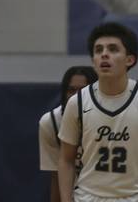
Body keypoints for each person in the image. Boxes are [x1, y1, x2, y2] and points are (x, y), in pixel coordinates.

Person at [57, 23, 138, 202]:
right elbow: (66, 160)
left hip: (136, 197)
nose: (104, 54)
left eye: (113, 49)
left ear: (130, 59)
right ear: (93, 61)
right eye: (98, 50)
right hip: (87, 197)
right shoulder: (77, 103)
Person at [39, 66, 98, 201]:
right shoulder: (51, 122)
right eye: (71, 90)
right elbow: (56, 174)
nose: (76, 96)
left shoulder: (112, 118)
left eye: (83, 90)